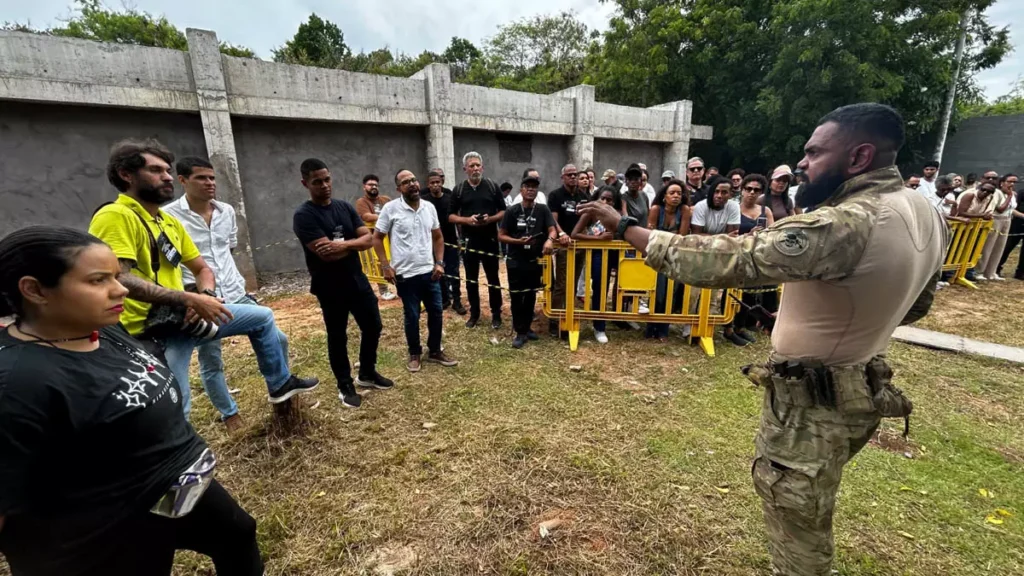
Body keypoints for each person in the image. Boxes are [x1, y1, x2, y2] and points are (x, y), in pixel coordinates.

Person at [580, 102, 946, 576]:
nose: (802, 163)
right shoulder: (925, 209)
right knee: (808, 506)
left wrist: (625, 227)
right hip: (862, 386)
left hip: (813, 405)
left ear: (858, 157)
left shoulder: (846, 223)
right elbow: (919, 304)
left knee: (798, 527)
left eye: (815, 152)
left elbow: (729, 259)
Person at [0, 226, 263, 576]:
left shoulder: (101, 328)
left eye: (116, 276)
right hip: (106, 532)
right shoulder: (17, 383)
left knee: (238, 535)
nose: (120, 288)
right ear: (34, 290)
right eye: (98, 280)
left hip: (175, 487)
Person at [89, 140, 317, 418]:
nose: (166, 177)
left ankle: (280, 387)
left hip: (183, 318)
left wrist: (205, 298)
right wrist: (189, 299)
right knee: (176, 405)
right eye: (156, 171)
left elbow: (202, 268)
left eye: (167, 170)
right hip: (148, 332)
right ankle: (220, 421)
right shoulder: (116, 216)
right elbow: (118, 279)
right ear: (126, 174)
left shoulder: (165, 221)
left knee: (263, 318)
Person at [164, 156, 288, 432]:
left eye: (212, 178)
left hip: (233, 291)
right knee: (211, 359)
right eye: (201, 178)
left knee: (278, 338)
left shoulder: (226, 211)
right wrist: (194, 296)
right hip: (199, 300)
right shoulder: (169, 217)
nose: (210, 183)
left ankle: (283, 392)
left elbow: (228, 248)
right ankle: (229, 413)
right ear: (183, 180)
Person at [293, 158, 392, 409]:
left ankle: (367, 373)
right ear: (305, 183)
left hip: (357, 280)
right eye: (317, 182)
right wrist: (351, 244)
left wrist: (341, 245)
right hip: (329, 286)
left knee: (373, 326)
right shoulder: (304, 215)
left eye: (327, 179)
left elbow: (368, 240)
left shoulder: (344, 207)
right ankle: (344, 384)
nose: (324, 185)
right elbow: (325, 253)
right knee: (338, 336)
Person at [373, 170, 459, 372]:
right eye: (405, 182)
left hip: (430, 272)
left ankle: (435, 350)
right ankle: (414, 353)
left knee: (436, 312)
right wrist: (386, 266)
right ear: (398, 188)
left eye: (413, 180)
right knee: (411, 315)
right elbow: (377, 238)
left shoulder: (429, 207)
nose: (412, 184)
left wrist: (439, 263)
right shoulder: (391, 209)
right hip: (405, 275)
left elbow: (438, 237)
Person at [498, 174, 557, 348]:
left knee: (531, 294)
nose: (531, 189)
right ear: (521, 190)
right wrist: (518, 242)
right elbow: (501, 236)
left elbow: (552, 230)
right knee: (517, 296)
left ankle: (527, 328)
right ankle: (519, 331)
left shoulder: (542, 210)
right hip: (516, 260)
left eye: (534, 187)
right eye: (527, 186)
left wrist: (549, 240)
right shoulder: (512, 211)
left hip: (535, 260)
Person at [449, 152, 506, 329]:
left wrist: (490, 219)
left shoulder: (491, 186)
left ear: (482, 167)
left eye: (477, 165)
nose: (475, 169)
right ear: (465, 169)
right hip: (469, 241)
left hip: (489, 239)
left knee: (493, 278)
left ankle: (496, 314)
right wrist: (467, 220)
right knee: (471, 279)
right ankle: (474, 314)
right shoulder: (458, 190)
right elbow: (450, 216)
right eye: (471, 166)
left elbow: (504, 211)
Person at [725, 173, 774, 346]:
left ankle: (740, 327)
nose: (752, 193)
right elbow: (729, 235)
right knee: (731, 294)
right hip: (736, 255)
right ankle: (728, 329)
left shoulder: (765, 211)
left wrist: (763, 233)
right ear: (742, 190)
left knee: (748, 296)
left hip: (755, 257)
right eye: (748, 189)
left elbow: (772, 233)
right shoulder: (733, 209)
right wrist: (748, 234)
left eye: (756, 190)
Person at [571, 185, 623, 344]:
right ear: (597, 198)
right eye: (603, 198)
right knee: (601, 288)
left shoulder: (617, 214)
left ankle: (624, 318)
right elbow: (575, 234)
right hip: (598, 254)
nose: (606, 202)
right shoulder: (590, 213)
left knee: (623, 286)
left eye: (610, 200)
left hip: (617, 252)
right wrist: (598, 239)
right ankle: (599, 327)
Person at [644, 179, 691, 341]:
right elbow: (650, 234)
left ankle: (663, 330)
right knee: (656, 292)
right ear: (664, 196)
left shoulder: (685, 210)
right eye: (672, 193)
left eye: (679, 193)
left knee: (671, 292)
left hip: (674, 257)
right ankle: (651, 328)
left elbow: (682, 236)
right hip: (657, 255)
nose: (676, 196)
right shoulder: (656, 209)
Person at [547, 163, 587, 336]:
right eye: (569, 174)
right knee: (561, 284)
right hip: (564, 246)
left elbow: (589, 218)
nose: (572, 177)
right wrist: (562, 233)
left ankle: (568, 316)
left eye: (575, 174)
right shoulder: (555, 195)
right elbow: (553, 219)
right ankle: (554, 320)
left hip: (580, 246)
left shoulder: (584, 196)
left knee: (574, 281)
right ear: (562, 177)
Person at [423, 170, 467, 314]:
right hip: (432, 243)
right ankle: (444, 299)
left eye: (438, 182)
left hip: (451, 241)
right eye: (432, 183)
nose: (435, 185)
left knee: (454, 272)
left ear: (442, 183)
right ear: (428, 185)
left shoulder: (449, 199)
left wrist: (460, 239)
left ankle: (457, 301)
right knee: (437, 271)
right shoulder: (424, 202)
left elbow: (457, 221)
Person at [354, 174, 398, 303]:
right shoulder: (361, 202)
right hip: (375, 238)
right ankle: (384, 290)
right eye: (370, 185)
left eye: (375, 185)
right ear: (364, 187)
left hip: (390, 238)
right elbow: (366, 216)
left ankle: (400, 287)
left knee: (395, 262)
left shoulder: (386, 199)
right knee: (379, 263)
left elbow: (396, 212)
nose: (373, 187)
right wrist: (386, 218)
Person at [969, 172, 1008, 281]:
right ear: (982, 179)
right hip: (988, 220)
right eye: (988, 177)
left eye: (994, 178)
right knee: (985, 248)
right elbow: (998, 209)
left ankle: (991, 271)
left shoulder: (1000, 193)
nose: (991, 179)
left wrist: (1009, 195)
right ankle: (978, 271)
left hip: (1003, 220)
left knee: (997, 248)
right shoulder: (975, 192)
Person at [996, 174, 1024, 280]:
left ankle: (1021, 272)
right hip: (1017, 223)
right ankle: (997, 267)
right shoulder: (1021, 193)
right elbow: (1012, 208)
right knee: (1007, 246)